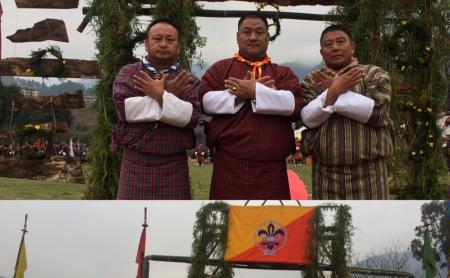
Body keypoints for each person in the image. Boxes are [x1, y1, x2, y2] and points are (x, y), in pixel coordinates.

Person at [199, 12, 302, 199]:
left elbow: (294, 104)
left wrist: (256, 92)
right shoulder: (220, 69)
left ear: (268, 37)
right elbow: (205, 101)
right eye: (247, 32)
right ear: (238, 37)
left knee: (271, 224)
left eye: (259, 32)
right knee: (229, 223)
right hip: (228, 166)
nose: (253, 37)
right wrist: (241, 93)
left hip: (272, 169)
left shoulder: (282, 73)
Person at [300, 25, 393, 199]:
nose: (334, 47)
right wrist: (334, 91)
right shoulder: (312, 80)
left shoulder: (373, 74)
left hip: (370, 175)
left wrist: (332, 94)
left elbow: (378, 114)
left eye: (340, 41)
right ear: (322, 53)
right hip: (325, 177)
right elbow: (307, 118)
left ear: (353, 47)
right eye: (328, 44)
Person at [112, 17, 199, 198]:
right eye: (157, 39)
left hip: (174, 166)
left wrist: (159, 94)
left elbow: (190, 117)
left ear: (179, 46)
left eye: (170, 40)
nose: (163, 44)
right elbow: (126, 110)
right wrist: (168, 93)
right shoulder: (128, 73)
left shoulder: (187, 79)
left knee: (173, 221)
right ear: (146, 44)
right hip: (134, 163)